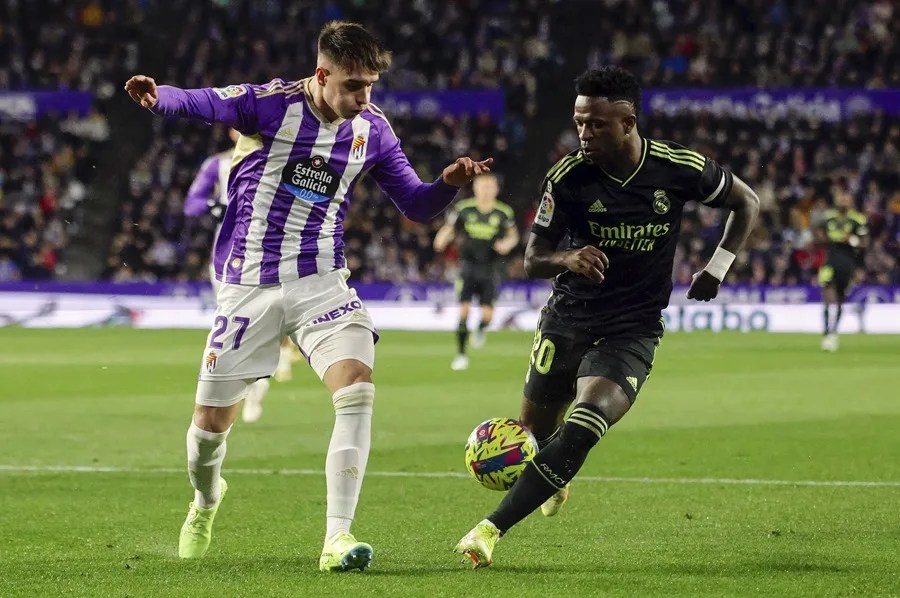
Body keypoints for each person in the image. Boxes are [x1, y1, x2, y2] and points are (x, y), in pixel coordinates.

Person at [125, 20, 492, 572]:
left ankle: (337, 540)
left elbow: (415, 205)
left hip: (322, 281)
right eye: (352, 85)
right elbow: (208, 102)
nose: (363, 97)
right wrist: (162, 99)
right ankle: (206, 499)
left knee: (357, 389)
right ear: (322, 75)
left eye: (370, 85)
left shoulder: (373, 130)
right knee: (207, 429)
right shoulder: (270, 105)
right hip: (248, 285)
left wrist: (447, 185)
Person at [454, 66, 759, 568]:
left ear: (628, 120)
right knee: (537, 435)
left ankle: (489, 529)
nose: (584, 133)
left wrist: (717, 268)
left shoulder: (677, 167)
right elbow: (533, 259)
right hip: (568, 319)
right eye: (579, 123)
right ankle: (555, 475)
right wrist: (568, 258)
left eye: (596, 124)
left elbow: (745, 202)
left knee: (584, 424)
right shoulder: (568, 177)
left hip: (632, 328)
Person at [184, 128, 302, 423]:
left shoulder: (286, 160)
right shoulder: (219, 164)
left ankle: (259, 383)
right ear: (231, 131)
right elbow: (192, 204)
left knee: (267, 325)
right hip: (229, 259)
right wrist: (215, 207)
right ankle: (241, 391)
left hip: (276, 254)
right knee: (234, 329)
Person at [433, 173, 519, 370]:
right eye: (482, 186)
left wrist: (507, 243)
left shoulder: (503, 212)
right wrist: (442, 238)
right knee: (463, 310)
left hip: (491, 268)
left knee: (488, 315)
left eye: (490, 186)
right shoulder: (464, 209)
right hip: (467, 266)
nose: (486, 190)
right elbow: (449, 228)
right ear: (475, 188)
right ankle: (461, 355)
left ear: (496, 189)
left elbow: (512, 235)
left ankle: (481, 328)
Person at [817, 189, 867, 352]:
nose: (843, 201)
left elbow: (865, 243)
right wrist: (827, 239)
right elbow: (818, 237)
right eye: (841, 198)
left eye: (846, 198)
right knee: (827, 295)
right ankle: (826, 332)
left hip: (847, 264)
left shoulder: (857, 220)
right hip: (830, 262)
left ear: (851, 202)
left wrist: (851, 240)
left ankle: (833, 333)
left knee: (839, 299)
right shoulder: (829, 217)